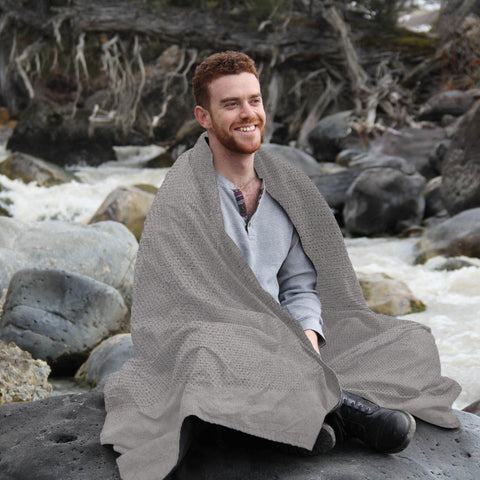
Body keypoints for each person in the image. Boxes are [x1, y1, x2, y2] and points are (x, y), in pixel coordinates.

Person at [101, 51, 461, 480]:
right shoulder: (182, 197)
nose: (247, 113)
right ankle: (347, 412)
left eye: (253, 100)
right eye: (231, 104)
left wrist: (308, 338)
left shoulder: (288, 188)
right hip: (217, 342)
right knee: (208, 357)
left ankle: (296, 421)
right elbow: (170, 311)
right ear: (203, 117)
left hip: (289, 341)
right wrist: (264, 339)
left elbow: (300, 286)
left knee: (407, 341)